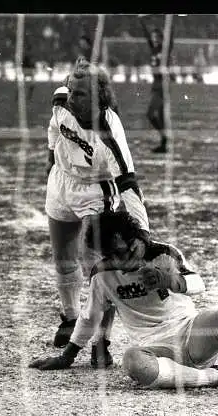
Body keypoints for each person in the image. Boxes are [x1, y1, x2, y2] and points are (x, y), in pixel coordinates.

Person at [29, 212, 218, 406]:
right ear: (106, 254)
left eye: (129, 246)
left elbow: (199, 282)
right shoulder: (102, 274)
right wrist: (67, 355)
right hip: (155, 352)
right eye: (116, 253)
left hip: (192, 335)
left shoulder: (165, 252)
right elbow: (90, 316)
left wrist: (171, 280)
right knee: (131, 361)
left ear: (137, 238)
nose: (126, 255)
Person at [45, 56, 150, 368]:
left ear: (98, 97)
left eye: (80, 93)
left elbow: (129, 182)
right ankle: (70, 317)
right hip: (61, 182)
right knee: (63, 258)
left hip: (96, 190)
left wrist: (141, 231)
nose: (71, 96)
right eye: (71, 90)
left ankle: (101, 341)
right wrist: (51, 160)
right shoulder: (60, 101)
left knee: (100, 268)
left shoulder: (109, 134)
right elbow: (54, 129)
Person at [138, 14, 174, 153]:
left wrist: (171, 19)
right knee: (160, 116)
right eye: (153, 37)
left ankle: (165, 138)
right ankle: (164, 145)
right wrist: (141, 21)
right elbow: (146, 35)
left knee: (151, 114)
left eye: (156, 37)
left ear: (160, 38)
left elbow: (171, 36)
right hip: (156, 85)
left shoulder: (165, 49)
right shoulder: (153, 49)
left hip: (163, 85)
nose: (154, 39)